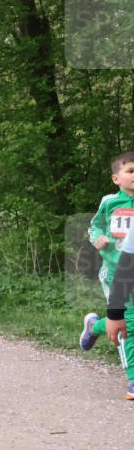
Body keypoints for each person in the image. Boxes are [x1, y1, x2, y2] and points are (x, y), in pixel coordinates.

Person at [80, 152, 134, 398]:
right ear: (116, 178)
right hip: (116, 273)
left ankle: (94, 326)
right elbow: (95, 225)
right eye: (130, 171)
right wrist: (98, 237)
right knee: (128, 323)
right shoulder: (110, 202)